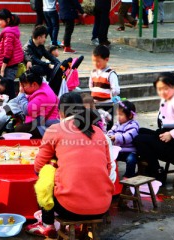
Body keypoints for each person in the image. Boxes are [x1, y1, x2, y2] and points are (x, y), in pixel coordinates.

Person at [25, 92, 114, 238]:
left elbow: (38, 167)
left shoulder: (55, 130)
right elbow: (108, 168)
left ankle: (47, 224)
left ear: (60, 111)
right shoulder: (98, 131)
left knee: (46, 171)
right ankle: (83, 227)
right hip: (103, 206)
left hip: (69, 208)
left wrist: (56, 165)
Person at [9, 66, 59, 138]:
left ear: (34, 84)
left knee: (19, 129)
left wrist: (21, 94)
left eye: (24, 85)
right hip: (41, 121)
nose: (22, 88)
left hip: (48, 127)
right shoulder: (41, 87)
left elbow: (27, 110)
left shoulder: (43, 95)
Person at [0, 8, 24, 99]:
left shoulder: (8, 33)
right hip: (11, 64)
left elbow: (8, 52)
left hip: (9, 65)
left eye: (0, 20)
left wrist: (2, 69)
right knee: (8, 87)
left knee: (8, 88)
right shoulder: (11, 30)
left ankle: (11, 109)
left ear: (8, 20)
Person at [107, 100, 139, 178]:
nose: (118, 116)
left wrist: (116, 137)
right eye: (117, 114)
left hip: (129, 150)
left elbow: (127, 137)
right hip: (118, 149)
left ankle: (128, 176)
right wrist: (109, 136)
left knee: (131, 160)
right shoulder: (117, 124)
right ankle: (110, 174)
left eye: (121, 114)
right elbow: (111, 131)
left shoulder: (133, 125)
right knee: (109, 158)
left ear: (130, 116)